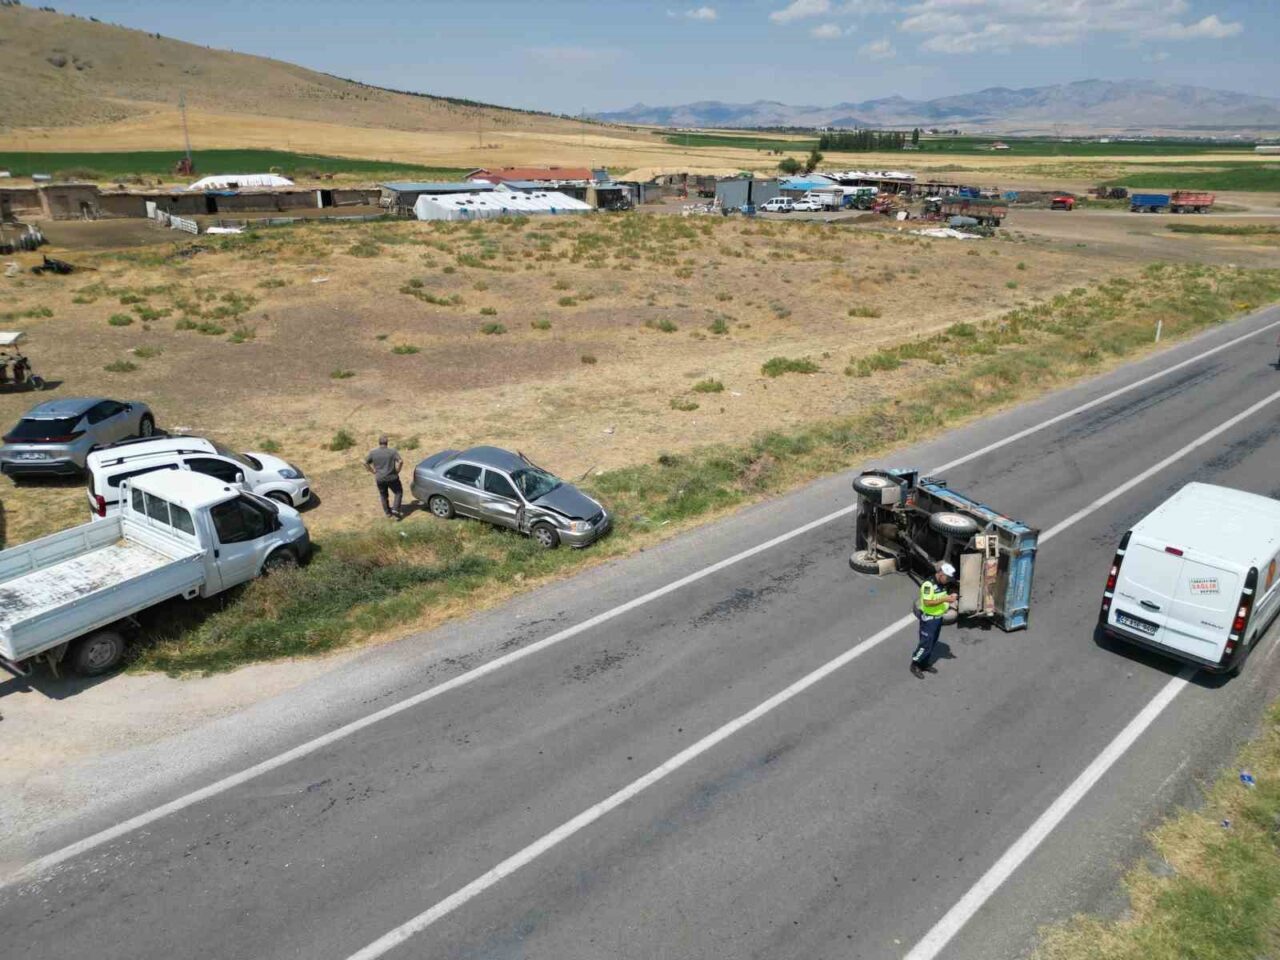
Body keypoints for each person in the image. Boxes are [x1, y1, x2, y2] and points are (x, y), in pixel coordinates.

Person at [911, 562, 957, 678]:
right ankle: (915, 664)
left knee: (932, 642)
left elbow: (943, 595)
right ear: (941, 574)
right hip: (929, 620)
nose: (948, 581)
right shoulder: (928, 585)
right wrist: (945, 599)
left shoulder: (942, 583)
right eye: (947, 578)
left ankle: (924, 663)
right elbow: (927, 602)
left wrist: (952, 596)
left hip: (938, 618)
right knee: (925, 644)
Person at [364, 434, 404, 520]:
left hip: (380, 478)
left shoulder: (373, 453)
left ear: (379, 443)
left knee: (383, 495)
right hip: (392, 477)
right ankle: (395, 509)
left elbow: (364, 462)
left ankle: (388, 513)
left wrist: (372, 471)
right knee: (398, 492)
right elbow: (400, 461)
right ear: (387, 443)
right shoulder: (392, 451)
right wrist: (398, 470)